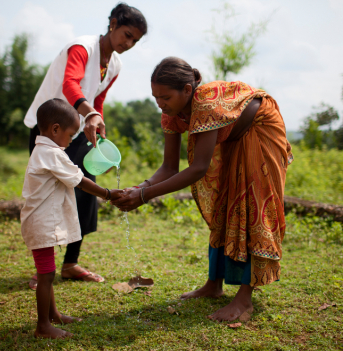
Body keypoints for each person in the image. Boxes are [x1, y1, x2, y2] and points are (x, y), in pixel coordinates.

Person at [112, 57, 294, 322]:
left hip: (261, 131)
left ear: (187, 90)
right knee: (224, 204)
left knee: (251, 207)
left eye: (165, 97)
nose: (159, 104)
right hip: (233, 136)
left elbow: (198, 168)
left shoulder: (206, 103)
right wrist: (140, 187)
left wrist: (143, 196)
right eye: (155, 97)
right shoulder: (171, 114)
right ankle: (213, 285)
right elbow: (169, 167)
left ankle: (244, 300)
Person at [24, 3, 148, 289]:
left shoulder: (114, 64)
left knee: (84, 191)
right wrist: (89, 113)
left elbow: (98, 98)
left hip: (78, 129)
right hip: (49, 128)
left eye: (135, 41)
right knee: (48, 195)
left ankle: (70, 263)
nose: (128, 43)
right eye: (126, 35)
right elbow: (71, 84)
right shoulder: (83, 48)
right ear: (113, 23)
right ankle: (43, 268)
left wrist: (97, 119)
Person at [21, 99, 122, 339]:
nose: (72, 140)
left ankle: (53, 315)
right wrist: (108, 194)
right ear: (55, 130)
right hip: (41, 223)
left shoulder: (45, 150)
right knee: (46, 275)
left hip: (39, 221)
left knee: (48, 272)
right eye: (70, 134)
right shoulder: (52, 154)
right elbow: (80, 180)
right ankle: (43, 326)